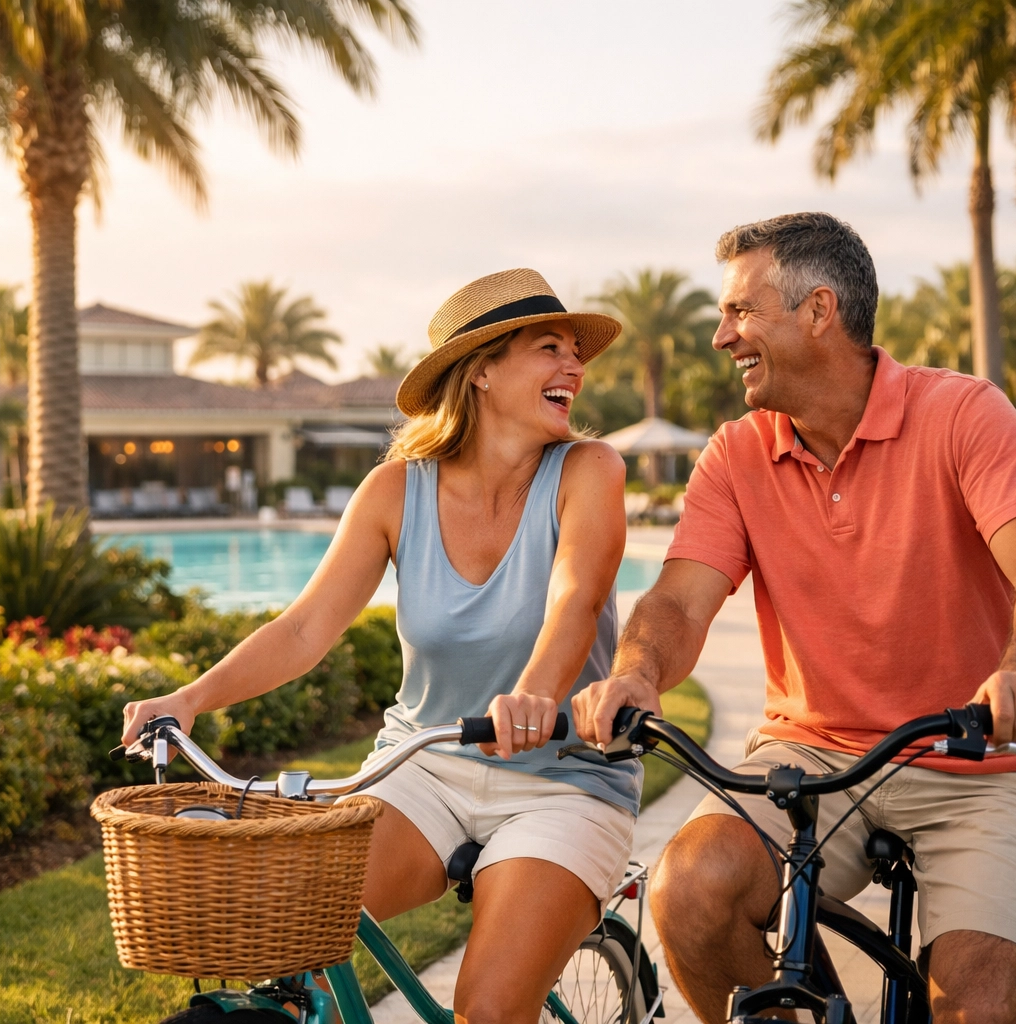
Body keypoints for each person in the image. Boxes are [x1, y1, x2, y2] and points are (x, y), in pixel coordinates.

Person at [572, 213, 1016, 1024]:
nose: (721, 336)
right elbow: (677, 599)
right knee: (689, 892)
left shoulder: (963, 414)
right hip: (812, 757)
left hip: (982, 757)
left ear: (819, 310)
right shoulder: (736, 455)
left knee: (976, 1002)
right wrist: (637, 671)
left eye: (741, 311)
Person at [122, 268, 640, 1024]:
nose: (576, 367)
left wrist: (533, 692)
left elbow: (576, 599)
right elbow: (304, 629)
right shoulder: (395, 491)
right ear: (483, 370)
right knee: (286, 930)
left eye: (575, 351)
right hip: (421, 769)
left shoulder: (590, 470)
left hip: (563, 780)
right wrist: (190, 698)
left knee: (490, 1008)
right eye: (550, 348)